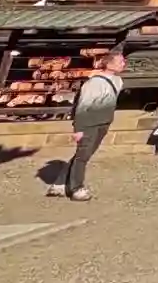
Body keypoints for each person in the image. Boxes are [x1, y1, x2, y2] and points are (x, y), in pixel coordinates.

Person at [48, 46, 126, 201]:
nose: (123, 64)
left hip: (104, 122)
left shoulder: (118, 81)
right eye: (120, 61)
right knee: (82, 156)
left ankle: (60, 184)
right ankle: (76, 188)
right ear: (109, 64)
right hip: (88, 123)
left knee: (85, 154)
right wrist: (78, 129)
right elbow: (83, 106)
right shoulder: (94, 83)